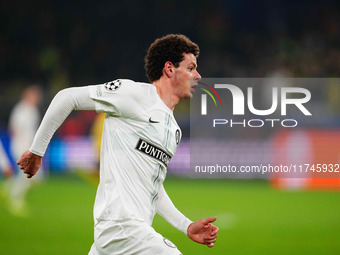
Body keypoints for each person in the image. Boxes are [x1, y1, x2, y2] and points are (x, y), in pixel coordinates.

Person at [17, 34, 219, 254]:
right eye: (191, 68)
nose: (198, 75)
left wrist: (186, 225)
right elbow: (68, 97)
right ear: (169, 69)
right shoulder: (133, 94)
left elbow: (153, 187)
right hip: (122, 228)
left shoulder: (174, 131)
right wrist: (37, 151)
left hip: (124, 235)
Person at [6, 85, 43, 214]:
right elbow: (14, 127)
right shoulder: (21, 109)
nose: (37, 98)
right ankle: (15, 200)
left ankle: (7, 188)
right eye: (34, 96)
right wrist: (23, 143)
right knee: (26, 175)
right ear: (28, 96)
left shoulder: (33, 110)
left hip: (29, 146)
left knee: (35, 178)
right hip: (21, 146)